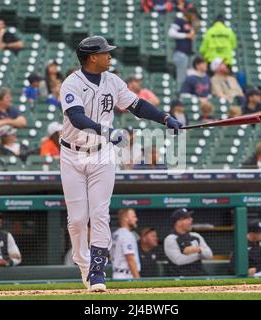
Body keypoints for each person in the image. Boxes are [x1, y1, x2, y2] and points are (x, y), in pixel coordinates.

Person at [59, 36, 182, 292]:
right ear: (92, 57)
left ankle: (97, 271)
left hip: (102, 155)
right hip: (73, 155)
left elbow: (136, 106)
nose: (110, 56)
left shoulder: (112, 81)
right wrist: (105, 131)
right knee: (78, 220)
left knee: (100, 213)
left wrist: (165, 117)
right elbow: (76, 117)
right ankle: (83, 263)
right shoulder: (71, 83)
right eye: (106, 53)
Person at [164, 208, 212, 276]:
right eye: (187, 218)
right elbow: (179, 261)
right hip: (180, 278)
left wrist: (198, 249)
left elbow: (209, 255)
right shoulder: (170, 238)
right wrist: (199, 255)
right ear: (179, 222)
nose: (191, 219)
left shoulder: (196, 236)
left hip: (199, 275)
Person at [168, 7, 199, 88]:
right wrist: (186, 35)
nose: (195, 18)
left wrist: (194, 30)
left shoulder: (188, 23)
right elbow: (171, 33)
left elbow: (191, 37)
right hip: (180, 53)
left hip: (188, 54)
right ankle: (180, 95)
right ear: (190, 14)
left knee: (188, 77)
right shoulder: (179, 20)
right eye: (194, 16)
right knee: (181, 78)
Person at [111, 209, 141, 280]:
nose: (136, 219)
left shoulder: (115, 234)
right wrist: (137, 278)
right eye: (133, 217)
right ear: (126, 218)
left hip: (117, 274)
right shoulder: (127, 235)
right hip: (126, 275)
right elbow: (130, 258)